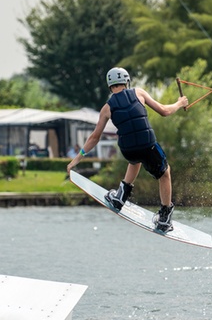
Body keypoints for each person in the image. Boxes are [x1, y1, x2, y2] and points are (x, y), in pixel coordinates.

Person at [66, 67, 188, 232]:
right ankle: (165, 217)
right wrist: (180, 103)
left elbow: (94, 137)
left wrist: (76, 159)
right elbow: (165, 111)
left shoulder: (106, 108)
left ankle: (120, 197)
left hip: (128, 149)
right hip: (148, 145)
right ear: (127, 81)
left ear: (110, 86)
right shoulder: (138, 93)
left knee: (135, 159)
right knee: (165, 173)